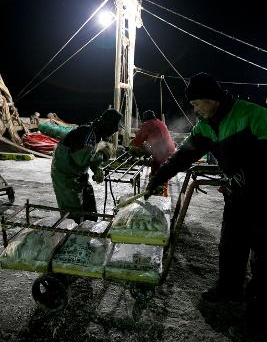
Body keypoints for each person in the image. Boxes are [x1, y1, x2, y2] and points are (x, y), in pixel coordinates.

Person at [144, 72, 267, 338]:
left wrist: (251, 174)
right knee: (231, 243)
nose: (194, 108)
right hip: (238, 195)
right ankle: (229, 289)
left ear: (212, 99)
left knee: (263, 256)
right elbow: (182, 157)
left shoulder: (253, 115)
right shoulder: (206, 126)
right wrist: (158, 178)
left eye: (197, 103)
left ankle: (258, 322)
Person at [51, 108, 123, 224]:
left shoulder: (96, 133)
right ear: (106, 125)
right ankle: (72, 236)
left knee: (89, 207)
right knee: (73, 213)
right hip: (65, 175)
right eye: (114, 127)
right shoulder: (87, 132)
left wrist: (97, 169)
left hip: (78, 172)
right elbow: (82, 159)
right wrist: (102, 156)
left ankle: (89, 226)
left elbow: (89, 155)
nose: (115, 130)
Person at [130, 110, 176, 195]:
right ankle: (163, 194)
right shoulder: (160, 122)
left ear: (145, 119)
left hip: (162, 152)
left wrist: (131, 145)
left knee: (156, 173)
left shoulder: (147, 124)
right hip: (171, 149)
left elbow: (139, 140)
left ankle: (156, 195)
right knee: (162, 172)